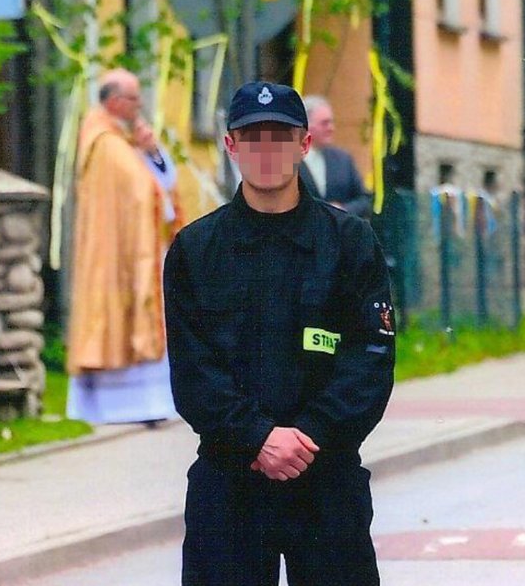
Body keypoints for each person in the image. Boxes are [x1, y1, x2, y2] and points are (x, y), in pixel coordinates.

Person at [164, 81, 395, 585]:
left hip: (326, 476)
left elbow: (370, 360)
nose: (266, 151)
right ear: (231, 146)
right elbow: (193, 372)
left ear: (304, 144)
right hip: (231, 480)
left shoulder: (349, 243)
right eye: (253, 138)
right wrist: (256, 438)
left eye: (280, 137)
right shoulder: (196, 250)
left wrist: (310, 435)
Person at [66, 68, 181, 426]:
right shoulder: (104, 143)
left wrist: (152, 151)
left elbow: (161, 182)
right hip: (115, 254)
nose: (139, 105)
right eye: (134, 98)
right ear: (115, 101)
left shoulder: (122, 140)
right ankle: (118, 408)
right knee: (117, 317)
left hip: (135, 248)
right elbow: (142, 190)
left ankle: (147, 405)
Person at [299, 94, 373, 218]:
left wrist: (343, 210)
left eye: (332, 122)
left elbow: (364, 200)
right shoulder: (289, 161)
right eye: (325, 123)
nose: (331, 128)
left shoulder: (343, 159)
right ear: (307, 126)